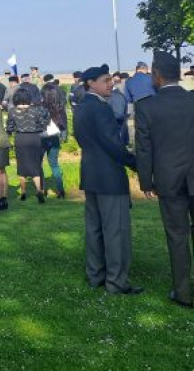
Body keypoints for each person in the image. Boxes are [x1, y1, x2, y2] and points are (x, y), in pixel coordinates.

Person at [74, 63, 141, 295]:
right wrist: (136, 163)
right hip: (109, 177)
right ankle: (116, 281)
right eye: (105, 80)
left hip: (91, 174)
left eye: (110, 79)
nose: (110, 83)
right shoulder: (100, 108)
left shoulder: (81, 106)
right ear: (91, 83)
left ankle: (96, 275)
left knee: (94, 229)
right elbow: (113, 145)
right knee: (115, 231)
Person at [135, 51, 194, 308]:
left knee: (177, 236)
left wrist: (146, 181)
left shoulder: (146, 106)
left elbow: (144, 148)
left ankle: (183, 293)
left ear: (157, 75)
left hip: (169, 181)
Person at [7, 88, 50, 203]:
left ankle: (23, 193)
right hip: (34, 138)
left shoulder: (12, 111)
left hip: (20, 139)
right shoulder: (35, 110)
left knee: (21, 166)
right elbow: (43, 125)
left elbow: (10, 127)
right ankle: (39, 191)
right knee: (36, 165)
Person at [41, 75, 67, 199]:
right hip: (54, 136)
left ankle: (42, 190)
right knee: (54, 164)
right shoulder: (58, 107)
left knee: (39, 164)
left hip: (42, 137)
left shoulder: (40, 107)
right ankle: (61, 190)